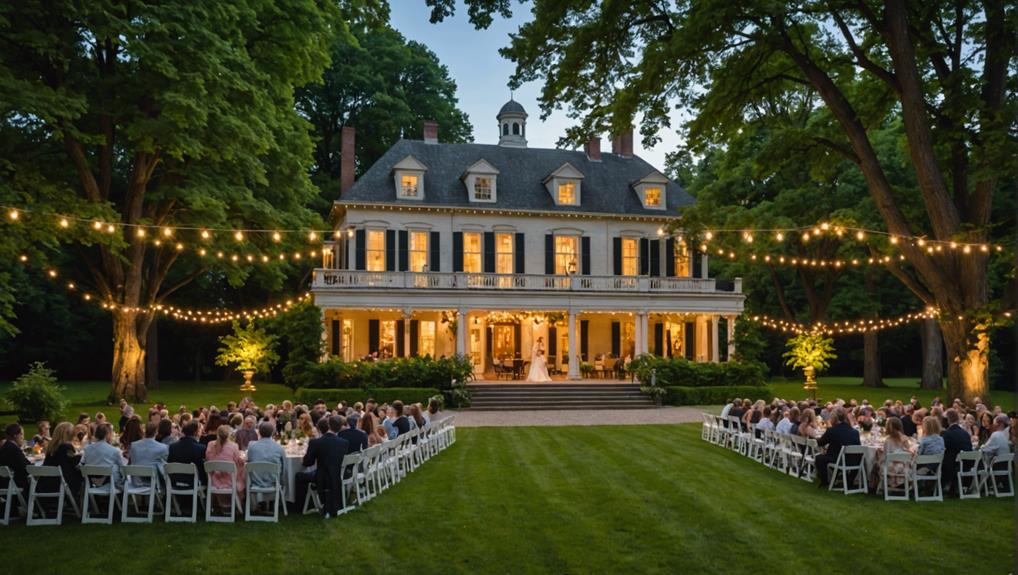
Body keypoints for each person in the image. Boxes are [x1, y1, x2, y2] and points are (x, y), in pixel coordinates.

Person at [295, 416, 349, 518]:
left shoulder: (316, 442)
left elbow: (308, 463)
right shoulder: (344, 443)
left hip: (321, 477)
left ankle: (299, 506)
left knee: (299, 476)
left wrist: (303, 459)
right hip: (337, 476)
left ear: (328, 425)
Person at [815, 408, 861, 487]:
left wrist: (816, 438)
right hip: (854, 460)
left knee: (819, 458)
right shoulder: (855, 432)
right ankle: (849, 481)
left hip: (838, 459)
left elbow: (820, 443)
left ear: (834, 418)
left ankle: (825, 482)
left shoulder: (832, 430)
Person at [206, 425, 246, 509]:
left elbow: (208, 459)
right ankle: (239, 504)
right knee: (242, 472)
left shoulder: (210, 444)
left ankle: (220, 505)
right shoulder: (234, 446)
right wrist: (242, 457)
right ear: (229, 435)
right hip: (230, 480)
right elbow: (237, 461)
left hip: (214, 480)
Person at [41, 422, 82, 497]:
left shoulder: (51, 446)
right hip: (62, 484)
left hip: (47, 483)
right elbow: (76, 464)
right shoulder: (66, 447)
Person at [81, 423, 126, 488]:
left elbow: (83, 464)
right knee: (116, 468)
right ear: (108, 435)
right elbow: (122, 468)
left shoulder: (87, 449)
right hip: (110, 484)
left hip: (91, 483)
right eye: (111, 433)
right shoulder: (114, 450)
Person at [245, 422, 285, 491]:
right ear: (272, 432)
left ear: (259, 432)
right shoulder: (279, 448)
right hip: (273, 481)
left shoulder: (251, 446)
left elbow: (249, 460)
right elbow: (284, 468)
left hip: (255, 481)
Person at [940, 409, 973, 493]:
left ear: (947, 420)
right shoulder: (965, 433)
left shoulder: (947, 434)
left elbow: (941, 448)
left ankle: (941, 486)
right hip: (968, 464)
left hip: (954, 466)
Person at [168, 421, 207, 488]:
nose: (201, 433)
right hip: (193, 483)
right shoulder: (201, 448)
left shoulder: (172, 447)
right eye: (200, 430)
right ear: (195, 432)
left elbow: (169, 463)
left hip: (175, 482)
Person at [129, 422, 169, 487]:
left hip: (137, 480)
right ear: (156, 432)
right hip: (153, 481)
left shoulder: (134, 445)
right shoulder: (163, 447)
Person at [0, 423, 31, 507]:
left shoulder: (5, 447)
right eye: (21, 434)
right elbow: (26, 468)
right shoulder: (13, 449)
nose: (23, 437)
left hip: (5, 483)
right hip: (15, 485)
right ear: (15, 435)